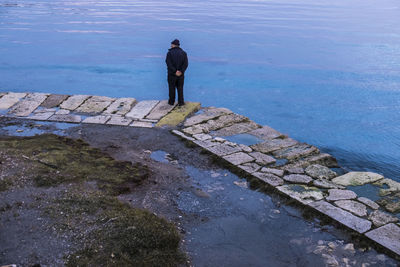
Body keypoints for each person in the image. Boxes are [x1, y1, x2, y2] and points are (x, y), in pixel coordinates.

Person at [165, 39, 188, 106]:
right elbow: (185, 64)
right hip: (180, 75)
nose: (170, 45)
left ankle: (171, 102)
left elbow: (168, 63)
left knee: (171, 88)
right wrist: (181, 71)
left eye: (171, 44)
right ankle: (181, 102)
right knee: (180, 88)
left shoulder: (169, 53)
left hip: (172, 74)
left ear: (173, 45)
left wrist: (175, 71)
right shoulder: (184, 53)